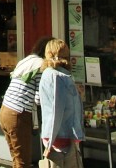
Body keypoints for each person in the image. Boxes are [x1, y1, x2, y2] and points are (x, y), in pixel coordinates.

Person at [0, 37, 50, 168]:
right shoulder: (41, 66)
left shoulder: (26, 61)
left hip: (5, 110)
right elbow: (39, 98)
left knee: (16, 158)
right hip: (18, 114)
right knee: (23, 162)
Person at [38, 38, 84, 168]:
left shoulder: (52, 75)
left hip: (57, 135)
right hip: (67, 134)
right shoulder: (65, 77)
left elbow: (55, 111)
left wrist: (49, 141)